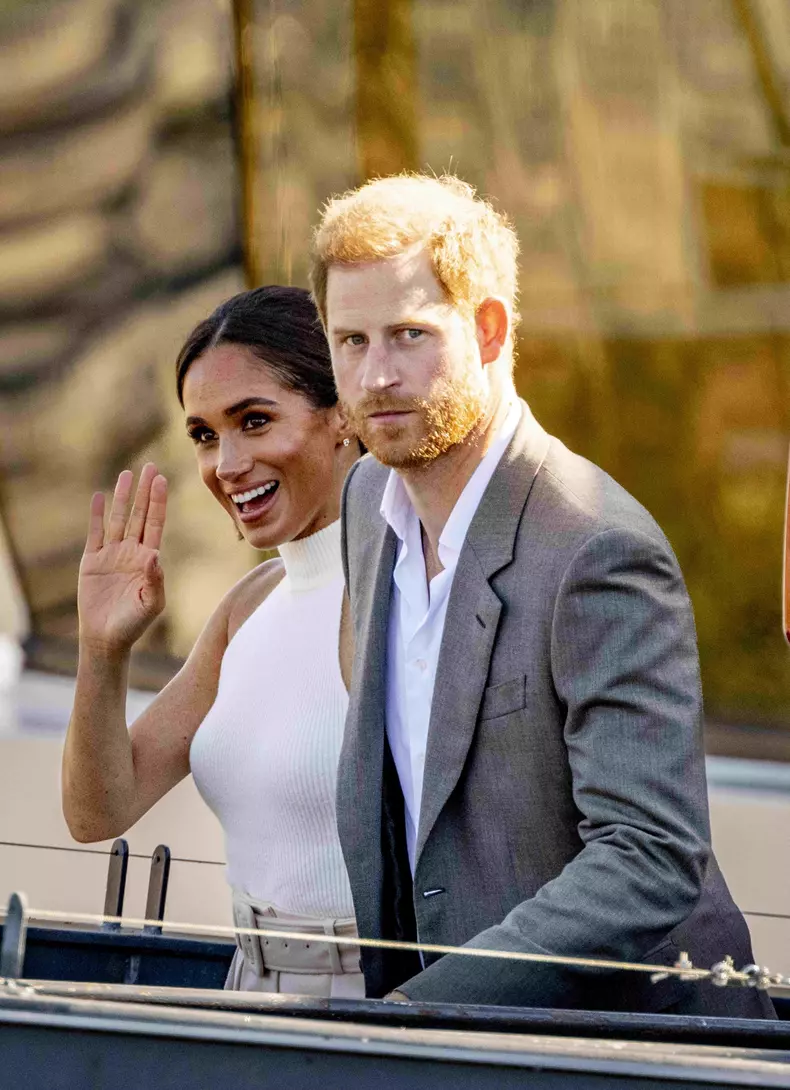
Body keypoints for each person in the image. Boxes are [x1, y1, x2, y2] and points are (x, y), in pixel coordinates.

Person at [310, 173, 774, 1017]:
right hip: (451, 1046)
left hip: (632, 1050)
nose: (375, 377)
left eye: (409, 335)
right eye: (351, 341)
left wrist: (424, 1011)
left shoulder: (598, 548)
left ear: (489, 329)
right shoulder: (366, 503)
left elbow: (648, 856)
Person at [62, 285, 365, 997]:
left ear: (343, 414)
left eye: (254, 421)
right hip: (245, 987)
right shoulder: (248, 605)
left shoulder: (407, 590)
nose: (226, 464)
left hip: (371, 1001)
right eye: (204, 435)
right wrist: (102, 651)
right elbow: (98, 811)